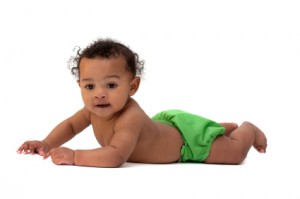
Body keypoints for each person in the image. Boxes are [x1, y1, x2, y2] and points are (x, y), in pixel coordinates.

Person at [17, 38, 267, 167]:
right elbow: (71, 126)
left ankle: (246, 130)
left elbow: (116, 156)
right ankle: (216, 130)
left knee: (233, 154)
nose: (99, 94)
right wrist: (46, 143)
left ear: (132, 87)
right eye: (89, 86)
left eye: (111, 85)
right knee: (210, 135)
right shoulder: (92, 110)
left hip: (184, 143)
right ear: (80, 86)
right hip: (163, 128)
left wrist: (75, 156)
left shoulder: (130, 117)